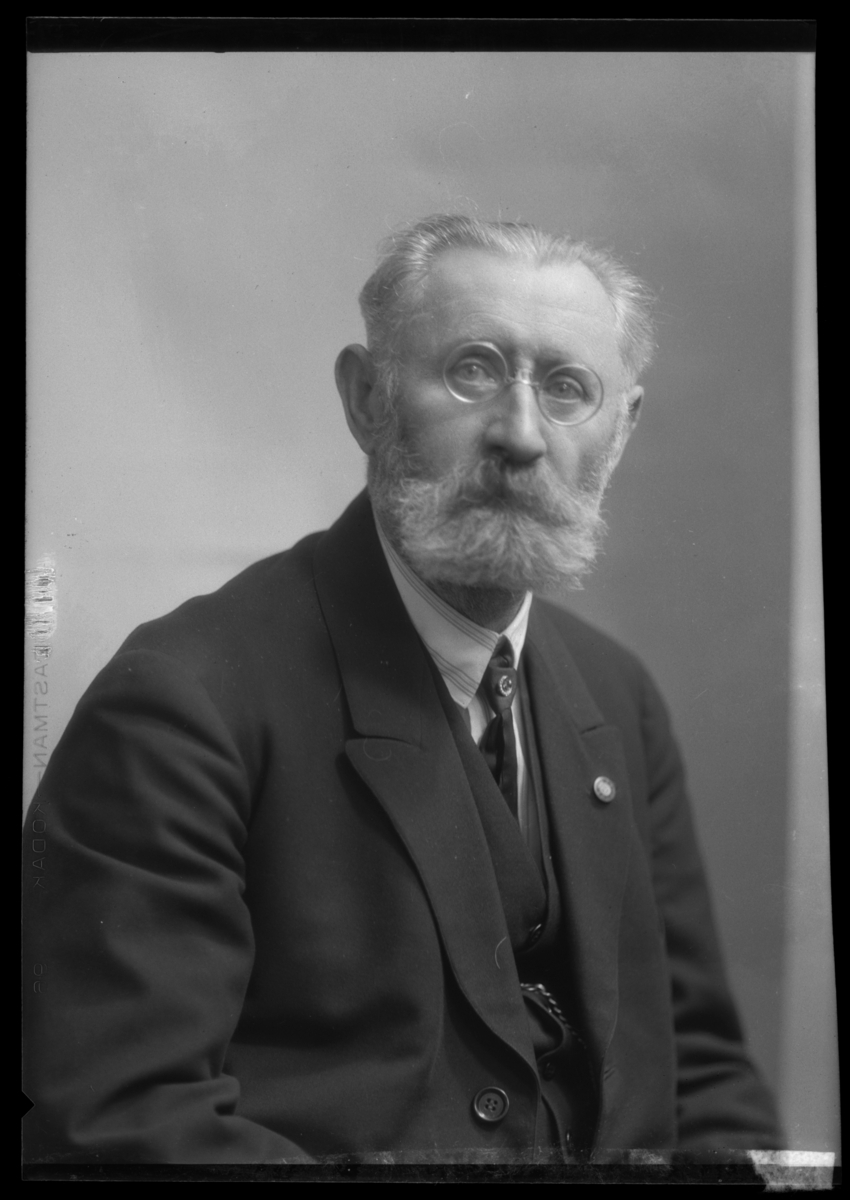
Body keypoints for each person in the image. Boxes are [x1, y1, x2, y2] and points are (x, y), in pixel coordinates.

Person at [23, 214, 782, 1165]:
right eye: (472, 371)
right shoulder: (182, 703)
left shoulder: (617, 697)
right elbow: (123, 1123)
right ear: (366, 398)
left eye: (567, 388)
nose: (520, 434)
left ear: (621, 430)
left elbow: (703, 1080)